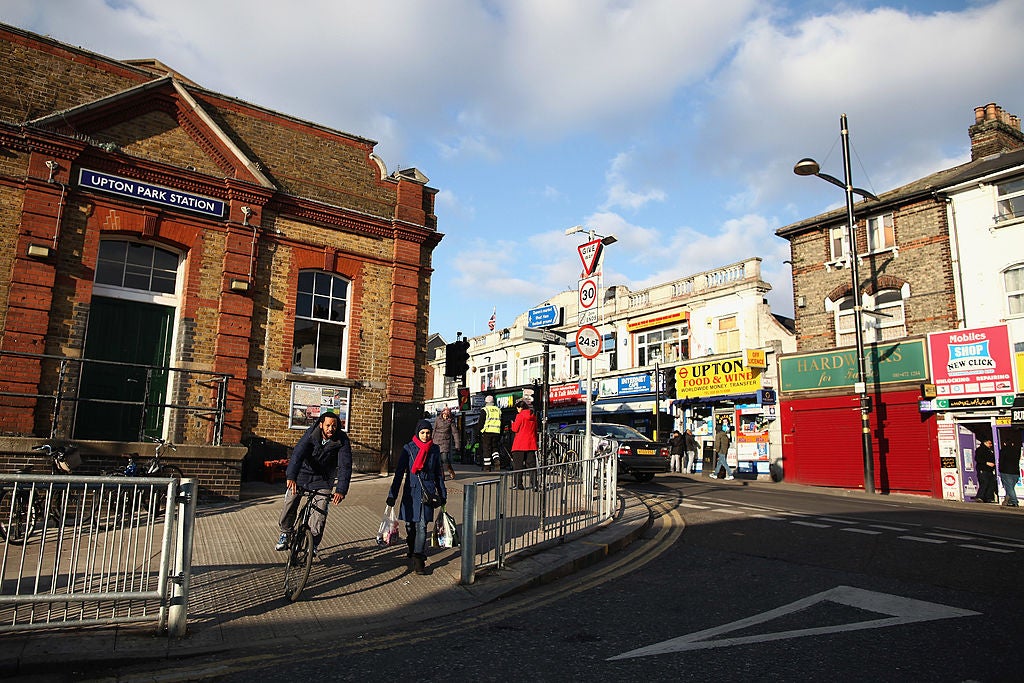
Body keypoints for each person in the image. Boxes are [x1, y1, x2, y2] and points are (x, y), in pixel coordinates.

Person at [276, 412, 352, 554]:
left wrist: (341, 490)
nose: (331, 429)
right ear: (321, 424)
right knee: (291, 500)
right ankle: (285, 532)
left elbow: (345, 466)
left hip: (323, 479)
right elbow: (298, 454)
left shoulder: (342, 440)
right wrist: (291, 476)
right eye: (328, 425)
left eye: (334, 426)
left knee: (320, 510)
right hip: (303, 474)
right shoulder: (311, 434)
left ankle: (313, 543)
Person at [386, 419, 447, 574]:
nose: (426, 436)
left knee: (422, 525)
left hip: (427, 492)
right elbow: (399, 474)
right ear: (417, 433)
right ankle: (412, 547)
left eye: (428, 433)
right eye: (422, 433)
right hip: (411, 492)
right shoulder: (409, 448)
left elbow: (439, 474)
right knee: (409, 526)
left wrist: (442, 494)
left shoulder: (434, 449)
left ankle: (419, 559)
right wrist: (392, 495)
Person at [510, 399, 539, 490]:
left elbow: (515, 429)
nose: (517, 410)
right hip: (530, 444)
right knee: (531, 465)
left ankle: (519, 484)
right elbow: (535, 430)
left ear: (520, 408)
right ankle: (534, 484)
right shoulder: (533, 417)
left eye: (517, 408)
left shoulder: (519, 416)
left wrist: (512, 423)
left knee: (518, 466)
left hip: (519, 445)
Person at [433, 406, 460, 480]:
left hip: (445, 441)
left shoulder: (451, 421)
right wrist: (431, 441)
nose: (446, 416)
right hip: (436, 441)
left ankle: (450, 470)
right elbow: (434, 430)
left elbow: (455, 433)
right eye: (445, 414)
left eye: (447, 415)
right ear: (442, 413)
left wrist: (457, 444)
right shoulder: (437, 419)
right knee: (438, 460)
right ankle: (441, 475)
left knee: (444, 458)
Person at [480, 395, 502, 472]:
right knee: (495, 448)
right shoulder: (498, 410)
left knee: (487, 449)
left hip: (487, 432)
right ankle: (496, 461)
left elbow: (481, 422)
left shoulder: (485, 410)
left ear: (486, 402)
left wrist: (479, 432)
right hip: (496, 432)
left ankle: (487, 467)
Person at [997, 437, 1021, 508]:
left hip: (1006, 471)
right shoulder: (1017, 450)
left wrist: (1000, 470)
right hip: (1016, 472)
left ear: (1004, 444)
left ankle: (1014, 501)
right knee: (1010, 487)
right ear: (1012, 444)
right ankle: (1008, 501)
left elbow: (1001, 461)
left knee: (1009, 488)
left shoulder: (1003, 450)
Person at [974, 436, 997, 503]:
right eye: (989, 443)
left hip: (990, 470)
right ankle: (979, 496)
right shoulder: (980, 450)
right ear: (985, 443)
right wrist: (986, 463)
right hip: (983, 469)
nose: (991, 445)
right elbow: (978, 459)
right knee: (984, 483)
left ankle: (988, 497)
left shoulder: (990, 450)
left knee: (991, 483)